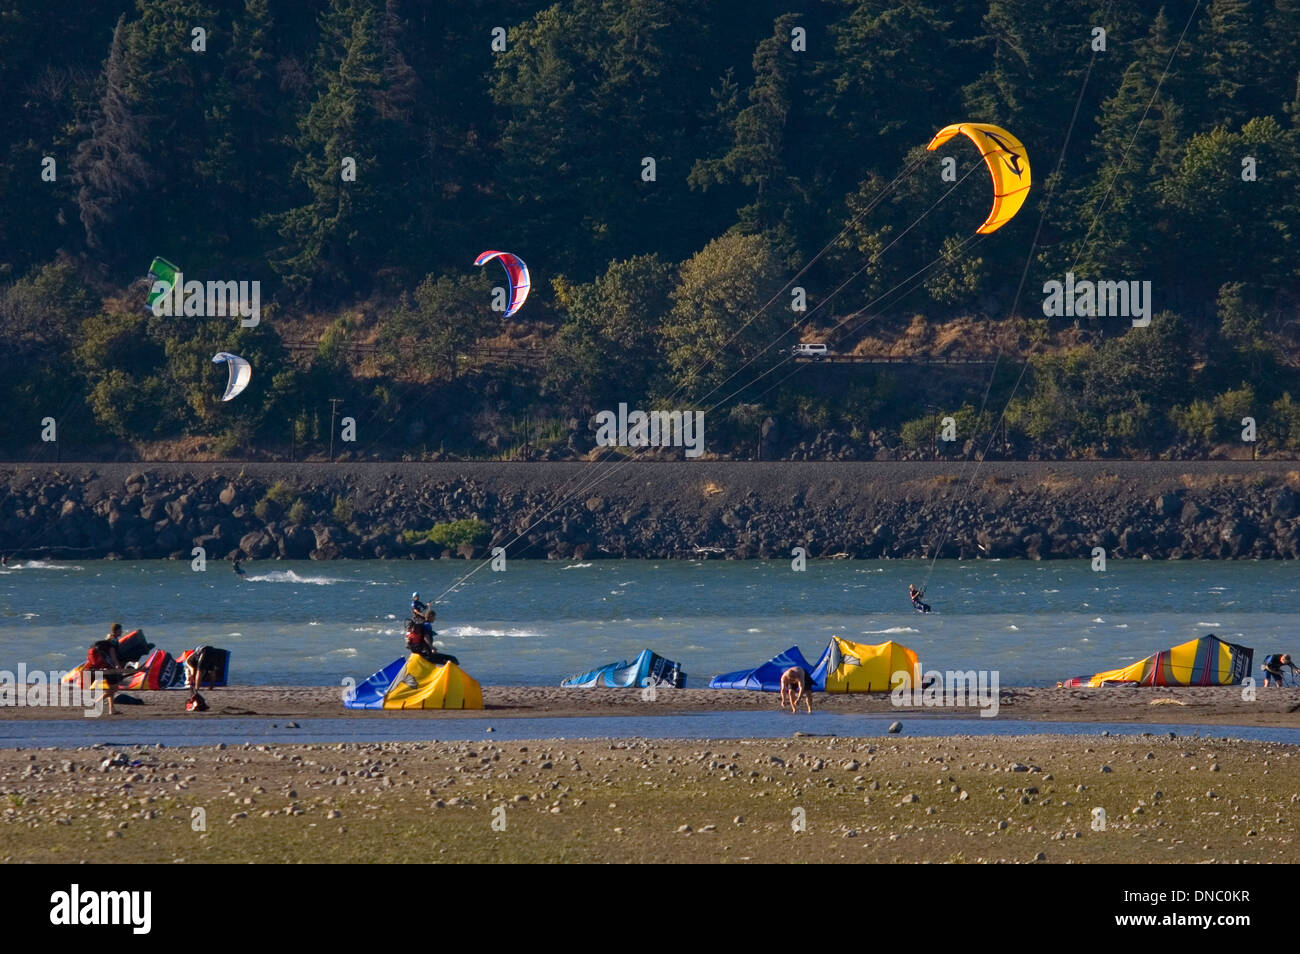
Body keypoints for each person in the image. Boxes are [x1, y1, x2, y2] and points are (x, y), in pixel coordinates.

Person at [86, 637, 123, 716]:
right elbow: (113, 657)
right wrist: (117, 665)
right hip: (107, 669)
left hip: (98, 668)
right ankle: (97, 702)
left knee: (110, 689)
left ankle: (112, 709)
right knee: (114, 688)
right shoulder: (111, 646)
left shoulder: (98, 645)